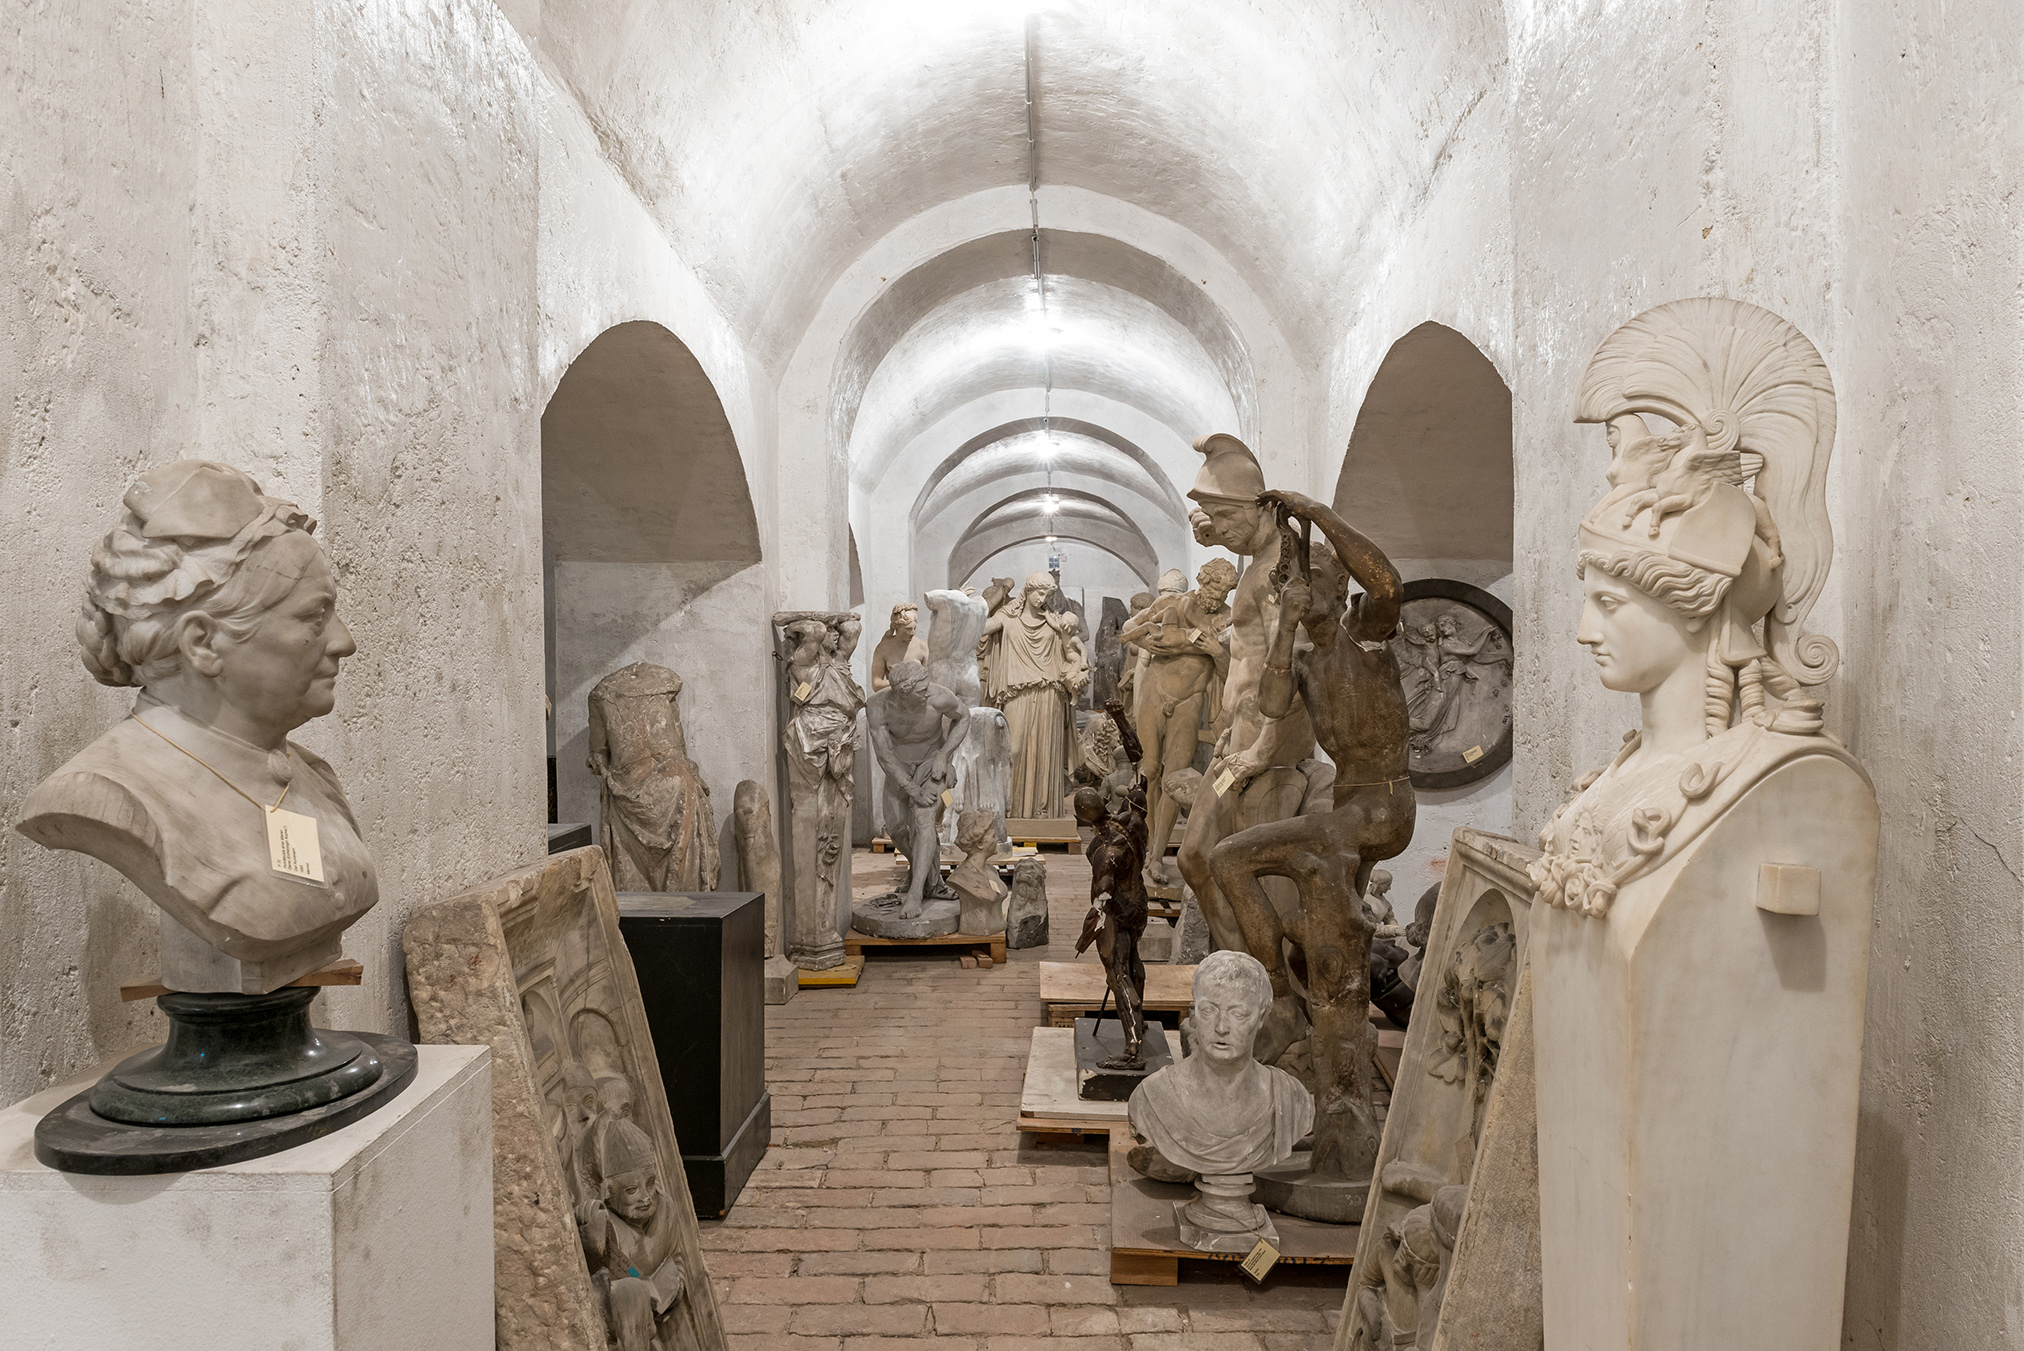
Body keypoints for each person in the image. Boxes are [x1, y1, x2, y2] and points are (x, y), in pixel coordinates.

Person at [17, 459, 377, 992]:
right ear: (203, 643)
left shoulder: (311, 775)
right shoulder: (101, 794)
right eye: (314, 616)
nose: (344, 641)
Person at [1205, 486, 1415, 1187]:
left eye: (1317, 583)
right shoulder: (1301, 658)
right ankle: (1274, 981)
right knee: (1227, 859)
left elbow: (1386, 579)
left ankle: (1300, 1002)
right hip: (1343, 815)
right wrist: (1287, 632)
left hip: (1383, 807)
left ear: (1339, 588)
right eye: (1296, 587)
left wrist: (1319, 516)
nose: (1306, 593)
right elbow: (1268, 705)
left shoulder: (1369, 634)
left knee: (1282, 858)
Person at [1127, 950, 1313, 1246]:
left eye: (1238, 1014)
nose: (1221, 1027)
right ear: (1193, 1012)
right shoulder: (1154, 1098)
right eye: (1209, 1010)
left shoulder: (1291, 1100)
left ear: (1262, 1017)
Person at [1119, 558, 1238, 883]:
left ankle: (1156, 855)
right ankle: (1143, 846)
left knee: (1174, 778)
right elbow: (1130, 629)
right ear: (1202, 580)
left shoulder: (1229, 619)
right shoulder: (1173, 603)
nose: (1216, 595)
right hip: (1155, 693)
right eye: (1213, 586)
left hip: (1190, 701)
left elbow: (1230, 672)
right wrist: (1146, 642)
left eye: (1224, 590)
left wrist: (1217, 652)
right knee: (1151, 770)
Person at [978, 572, 1087, 818]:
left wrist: (1071, 620)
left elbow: (1073, 648)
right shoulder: (1007, 617)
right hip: (1017, 692)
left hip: (1051, 693)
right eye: (1039, 592)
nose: (1042, 598)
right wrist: (991, 599)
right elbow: (979, 629)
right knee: (1013, 750)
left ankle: (1044, 811)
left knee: (1046, 755)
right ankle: (1013, 809)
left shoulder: (1054, 621)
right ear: (1026, 591)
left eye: (1047, 594)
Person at [864, 661, 969, 916]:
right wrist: (912, 789)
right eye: (920, 691)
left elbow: (964, 716)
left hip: (931, 763)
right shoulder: (878, 706)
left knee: (923, 822)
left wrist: (944, 755)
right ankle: (932, 879)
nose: (927, 692)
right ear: (902, 693)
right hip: (898, 768)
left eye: (926, 686)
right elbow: (885, 756)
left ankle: (916, 894)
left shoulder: (939, 697)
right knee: (897, 829)